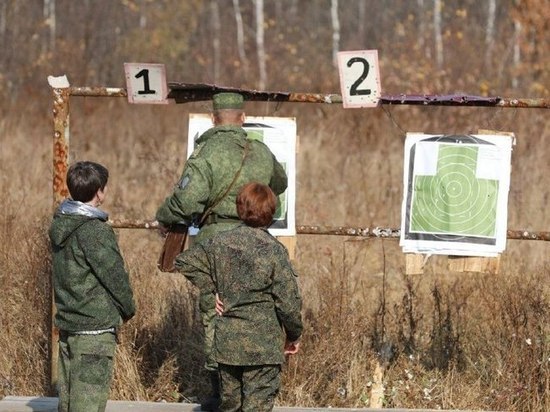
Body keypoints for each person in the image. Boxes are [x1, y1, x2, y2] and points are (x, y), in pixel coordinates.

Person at [156, 92, 288, 410]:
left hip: (215, 243)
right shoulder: (259, 149)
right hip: (256, 240)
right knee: (254, 310)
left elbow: (187, 202)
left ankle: (221, 396)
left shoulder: (206, 151)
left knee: (216, 317)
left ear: (214, 119)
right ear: (242, 118)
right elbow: (279, 183)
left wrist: (164, 214)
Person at [176, 182, 303, 412]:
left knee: (229, 406)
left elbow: (184, 261)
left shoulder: (219, 243)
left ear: (239, 209)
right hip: (263, 347)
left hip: (228, 345)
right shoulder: (275, 251)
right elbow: (288, 302)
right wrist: (293, 335)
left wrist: (210, 289)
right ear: (272, 211)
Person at [49, 161, 136, 412]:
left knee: (67, 404)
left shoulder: (61, 223)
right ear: (99, 191)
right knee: (87, 405)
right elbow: (114, 275)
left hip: (69, 324)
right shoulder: (94, 231)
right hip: (94, 330)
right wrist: (128, 308)